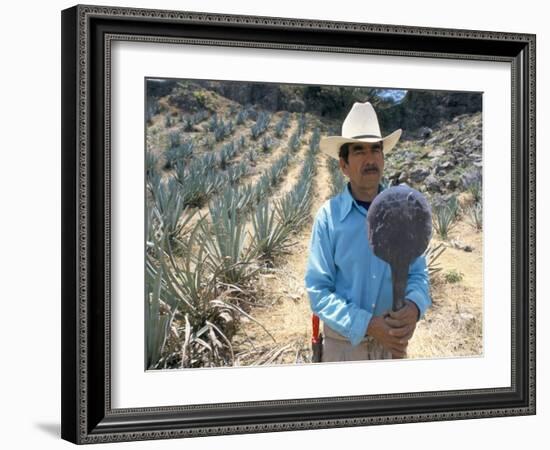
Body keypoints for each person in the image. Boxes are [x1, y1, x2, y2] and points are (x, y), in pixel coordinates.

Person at [305, 101, 431, 362]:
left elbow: (418, 274)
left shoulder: (404, 214)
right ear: (344, 165)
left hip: (393, 347)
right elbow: (319, 292)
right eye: (359, 151)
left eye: (376, 149)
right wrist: (369, 325)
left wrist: (414, 307)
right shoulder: (329, 218)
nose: (370, 158)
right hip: (344, 348)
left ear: (383, 158)